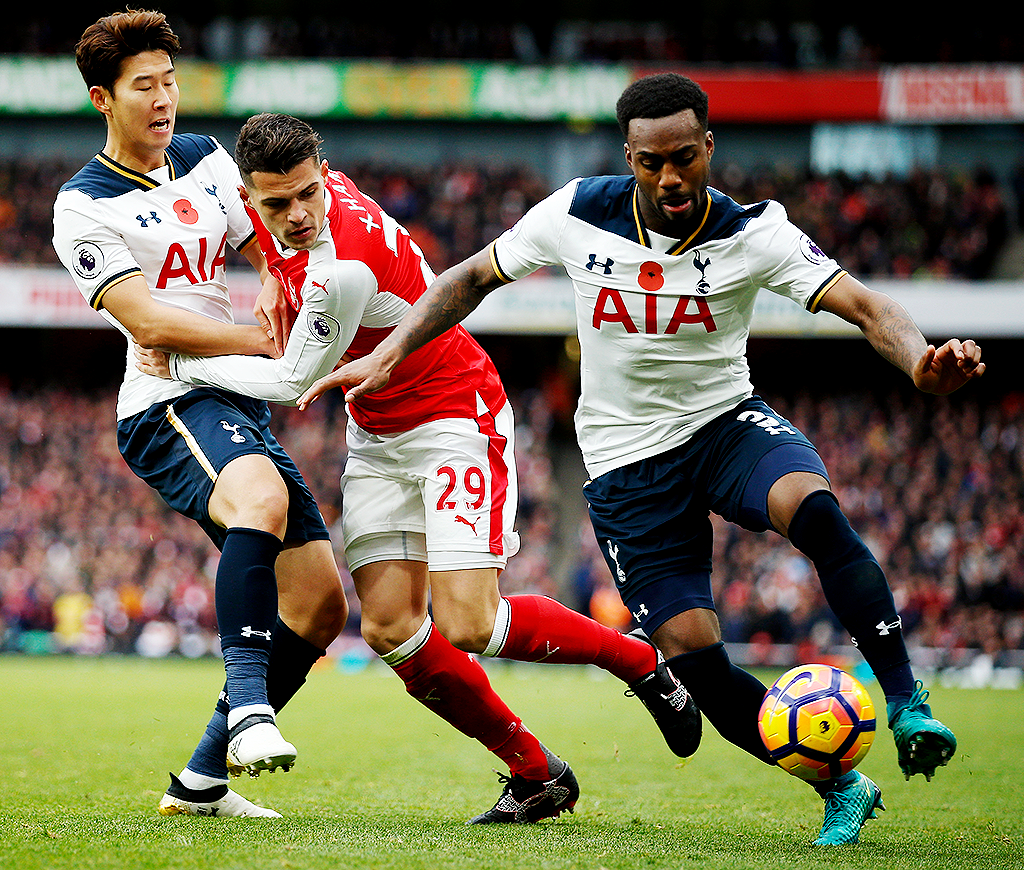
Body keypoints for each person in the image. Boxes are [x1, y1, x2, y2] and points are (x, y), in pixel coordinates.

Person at [299, 72, 986, 845]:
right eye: (651, 162)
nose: (670, 178)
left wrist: (920, 360)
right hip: (627, 467)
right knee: (697, 663)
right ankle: (841, 786)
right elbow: (469, 278)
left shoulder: (753, 232)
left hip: (724, 426)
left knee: (813, 508)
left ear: (708, 148)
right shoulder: (576, 213)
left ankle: (906, 701)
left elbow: (867, 305)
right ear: (629, 157)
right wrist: (392, 351)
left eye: (685, 158)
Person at [134, 111, 700, 824]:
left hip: (454, 416)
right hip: (377, 433)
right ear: (251, 199)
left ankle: (639, 662)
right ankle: (537, 774)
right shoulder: (296, 208)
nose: (298, 215)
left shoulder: (340, 268)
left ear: (323, 175)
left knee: (469, 622)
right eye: (277, 205)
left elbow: (292, 382)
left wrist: (179, 364)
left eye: (307, 195)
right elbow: (250, 220)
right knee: (390, 629)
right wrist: (269, 272)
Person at [51, 10, 348, 819]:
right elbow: (147, 321)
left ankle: (201, 783)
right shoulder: (82, 206)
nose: (163, 99)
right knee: (261, 499)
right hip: (165, 402)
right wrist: (259, 337)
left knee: (320, 603)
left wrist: (272, 278)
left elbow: (267, 239)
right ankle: (249, 709)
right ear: (102, 99)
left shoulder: (206, 157)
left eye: (170, 82)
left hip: (233, 395)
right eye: (143, 86)